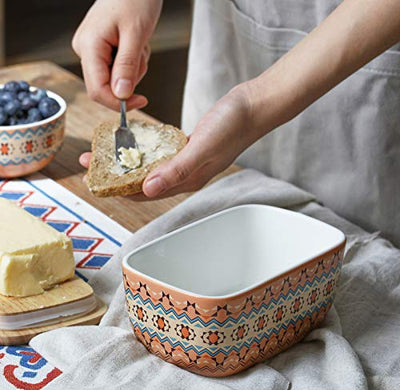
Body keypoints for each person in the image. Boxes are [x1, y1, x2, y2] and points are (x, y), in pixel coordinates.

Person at [73, 0, 400, 246]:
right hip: (237, 25)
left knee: (353, 255)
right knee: (220, 234)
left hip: (367, 49)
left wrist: (252, 106)